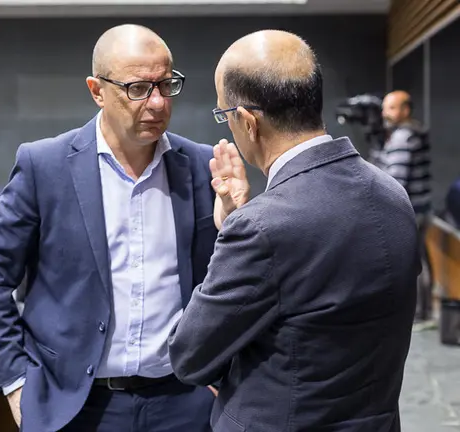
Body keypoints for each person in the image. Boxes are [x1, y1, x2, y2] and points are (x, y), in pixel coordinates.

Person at [0, 24, 241, 432]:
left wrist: (236, 223)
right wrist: (17, 383)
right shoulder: (45, 166)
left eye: (166, 85)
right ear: (97, 90)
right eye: (138, 88)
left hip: (184, 402)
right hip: (77, 406)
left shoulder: (203, 166)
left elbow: (228, 286)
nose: (157, 102)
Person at [168, 30, 418, 431]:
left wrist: (233, 227)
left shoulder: (261, 227)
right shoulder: (392, 194)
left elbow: (190, 355)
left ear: (247, 122)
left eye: (224, 114)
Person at [375, 90, 433, 323]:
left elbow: (394, 180)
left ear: (405, 110)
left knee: (412, 262)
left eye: (390, 108)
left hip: (411, 211)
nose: (384, 113)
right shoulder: (411, 132)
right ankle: (423, 312)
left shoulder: (403, 137)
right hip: (421, 208)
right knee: (420, 259)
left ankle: (419, 315)